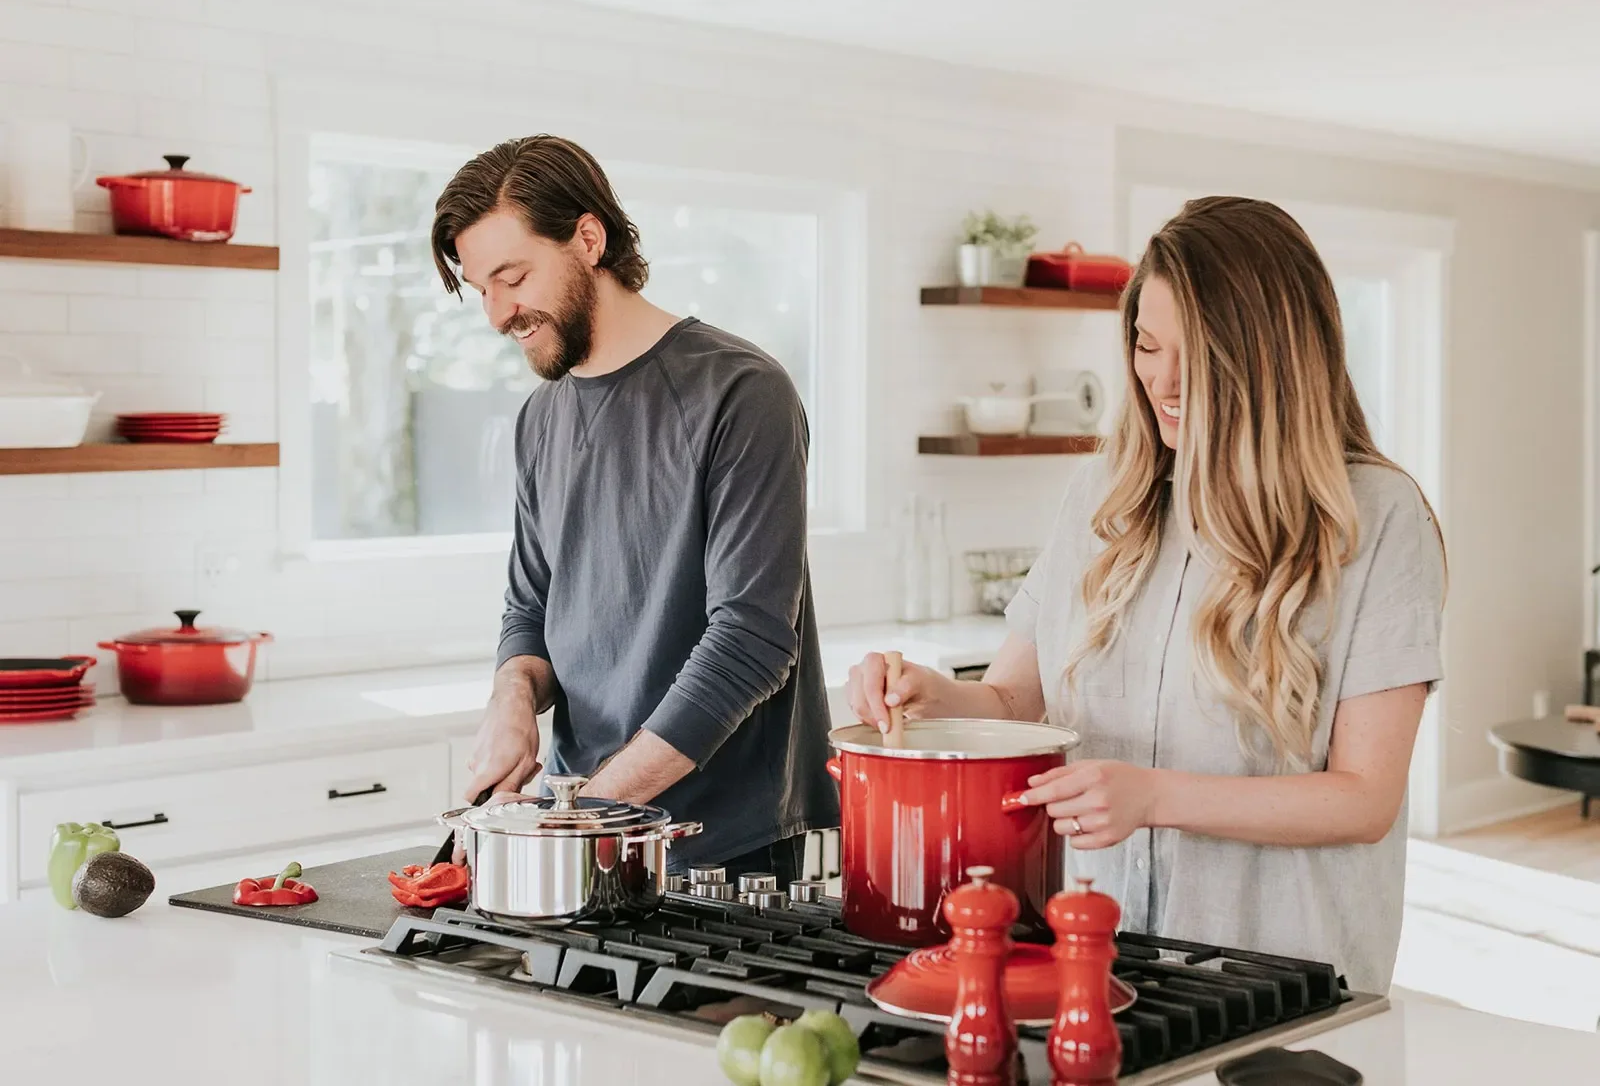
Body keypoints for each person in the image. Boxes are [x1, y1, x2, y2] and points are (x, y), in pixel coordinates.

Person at [846, 196, 1445, 992]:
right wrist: (935, 699)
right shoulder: (1103, 496)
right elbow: (1019, 700)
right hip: (1094, 955)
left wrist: (1156, 796)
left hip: (1278, 973)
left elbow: (1364, 799)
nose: (1161, 380)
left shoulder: (1376, 518)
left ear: (1272, 357)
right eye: (1146, 344)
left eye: (1193, 353)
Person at [433, 134, 838, 884]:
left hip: (724, 848)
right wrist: (512, 697)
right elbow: (531, 607)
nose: (496, 315)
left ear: (589, 238)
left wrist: (583, 817)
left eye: (512, 277)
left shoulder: (741, 392)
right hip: (578, 824)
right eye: (479, 288)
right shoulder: (540, 417)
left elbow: (752, 641)